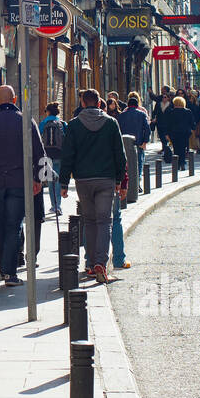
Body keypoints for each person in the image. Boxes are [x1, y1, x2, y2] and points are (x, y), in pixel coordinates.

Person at [0, 85, 45, 288]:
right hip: (18, 180)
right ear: (14, 100)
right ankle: (9, 272)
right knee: (14, 225)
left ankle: (5, 269)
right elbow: (39, 152)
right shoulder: (25, 120)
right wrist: (37, 179)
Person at [60, 89, 129, 282]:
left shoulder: (73, 125)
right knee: (105, 221)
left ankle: (90, 264)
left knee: (89, 221)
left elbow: (68, 154)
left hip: (83, 180)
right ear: (99, 103)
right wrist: (120, 180)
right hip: (106, 179)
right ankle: (100, 262)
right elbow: (120, 154)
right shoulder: (111, 123)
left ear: (82, 103)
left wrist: (64, 182)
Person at [116, 91, 152, 180]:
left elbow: (118, 129)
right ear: (137, 105)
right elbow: (147, 129)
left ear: (128, 105)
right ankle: (137, 180)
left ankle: (129, 181)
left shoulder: (121, 115)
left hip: (125, 143)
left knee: (127, 163)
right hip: (138, 142)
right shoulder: (142, 114)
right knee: (139, 163)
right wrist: (145, 141)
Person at [38, 102, 66, 216]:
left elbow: (38, 137)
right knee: (58, 179)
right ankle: (58, 206)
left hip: (47, 155)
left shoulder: (43, 123)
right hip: (60, 155)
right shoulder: (62, 123)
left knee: (50, 180)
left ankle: (54, 206)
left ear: (48, 112)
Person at [160, 96, 194, 167]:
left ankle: (177, 164)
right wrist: (191, 130)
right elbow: (192, 123)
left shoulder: (171, 112)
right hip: (185, 133)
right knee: (183, 147)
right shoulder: (188, 111)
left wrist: (166, 134)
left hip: (174, 133)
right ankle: (182, 162)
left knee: (176, 148)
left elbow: (167, 124)